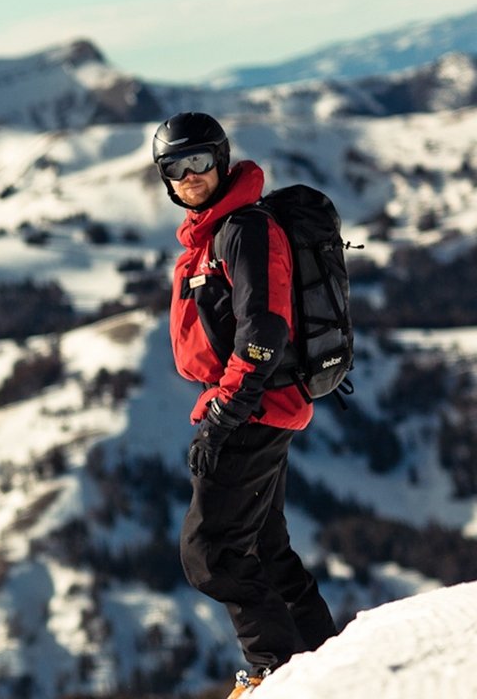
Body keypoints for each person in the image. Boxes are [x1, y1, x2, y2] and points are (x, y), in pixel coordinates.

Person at [153, 112, 338, 696]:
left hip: (252, 405)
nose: (189, 177)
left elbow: (264, 328)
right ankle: (328, 660)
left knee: (210, 552)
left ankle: (271, 675)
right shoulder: (217, 230)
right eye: (174, 168)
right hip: (259, 402)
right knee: (262, 544)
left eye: (200, 161)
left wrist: (226, 412)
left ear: (222, 159)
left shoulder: (243, 230)